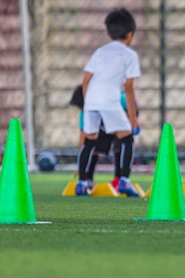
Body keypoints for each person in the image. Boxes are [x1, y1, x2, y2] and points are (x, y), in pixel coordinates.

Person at [77, 7, 141, 197]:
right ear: (130, 35)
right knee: (126, 138)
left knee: (89, 141)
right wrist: (132, 118)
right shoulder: (130, 55)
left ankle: (81, 183)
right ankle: (124, 180)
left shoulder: (99, 52)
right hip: (109, 100)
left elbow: (86, 79)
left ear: (109, 32)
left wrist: (89, 102)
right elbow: (128, 88)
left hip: (91, 100)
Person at [70, 85, 138, 192]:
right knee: (93, 143)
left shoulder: (118, 98)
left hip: (122, 113)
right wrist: (81, 165)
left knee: (121, 143)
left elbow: (132, 103)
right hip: (102, 120)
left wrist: (132, 119)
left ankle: (120, 178)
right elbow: (83, 137)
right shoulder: (87, 110)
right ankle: (87, 179)